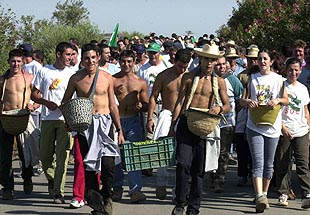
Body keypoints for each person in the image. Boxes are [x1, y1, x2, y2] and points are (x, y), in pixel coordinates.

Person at [61, 43, 124, 215]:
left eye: (93, 58)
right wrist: (68, 121)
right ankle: (98, 207)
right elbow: (65, 103)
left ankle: (107, 195)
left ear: (98, 58)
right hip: (85, 126)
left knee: (108, 166)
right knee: (90, 168)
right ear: (82, 60)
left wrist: (119, 130)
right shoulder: (76, 79)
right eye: (87, 58)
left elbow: (112, 105)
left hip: (105, 125)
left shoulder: (107, 78)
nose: (90, 61)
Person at [170, 42, 230, 215]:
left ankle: (193, 207)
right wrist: (172, 126)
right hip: (186, 123)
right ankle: (180, 202)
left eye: (212, 60)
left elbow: (227, 106)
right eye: (206, 59)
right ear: (200, 59)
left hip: (205, 127)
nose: (209, 63)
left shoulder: (219, 82)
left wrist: (218, 109)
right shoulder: (188, 77)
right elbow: (180, 101)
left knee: (199, 169)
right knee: (182, 164)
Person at [240, 48, 289, 213]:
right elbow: (241, 100)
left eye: (265, 59)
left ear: (271, 61)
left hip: (273, 125)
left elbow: (286, 99)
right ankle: (259, 195)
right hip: (254, 125)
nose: (262, 62)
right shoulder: (252, 78)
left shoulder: (278, 79)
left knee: (269, 164)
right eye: (260, 59)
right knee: (258, 163)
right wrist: (248, 102)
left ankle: (265, 193)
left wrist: (277, 100)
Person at [31, 42, 75, 204]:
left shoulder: (73, 73)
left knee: (63, 157)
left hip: (65, 120)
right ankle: (52, 178)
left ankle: (58, 192)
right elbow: (34, 93)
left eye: (72, 55)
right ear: (58, 54)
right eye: (67, 55)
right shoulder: (44, 71)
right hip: (48, 118)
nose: (70, 58)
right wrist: (45, 102)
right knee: (45, 156)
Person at [146, 49, 192, 200]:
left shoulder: (191, 76)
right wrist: (150, 118)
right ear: (174, 61)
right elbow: (153, 96)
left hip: (185, 116)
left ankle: (179, 190)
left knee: (183, 155)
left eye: (185, 66)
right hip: (166, 114)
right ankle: (161, 184)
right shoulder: (164, 76)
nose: (182, 69)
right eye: (180, 66)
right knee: (162, 152)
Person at [0, 49, 40, 200]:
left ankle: (27, 178)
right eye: (13, 61)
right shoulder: (3, 79)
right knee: (5, 156)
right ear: (8, 61)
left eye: (18, 61)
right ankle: (7, 187)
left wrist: (34, 106)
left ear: (23, 62)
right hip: (6, 119)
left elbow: (39, 96)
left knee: (26, 154)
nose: (15, 64)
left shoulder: (29, 78)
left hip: (24, 118)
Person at [112, 50, 148, 203]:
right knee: (115, 156)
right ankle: (117, 188)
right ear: (119, 62)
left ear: (134, 62)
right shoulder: (112, 80)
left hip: (133, 120)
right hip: (116, 120)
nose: (126, 65)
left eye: (129, 62)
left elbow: (146, 105)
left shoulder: (140, 82)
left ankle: (135, 190)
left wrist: (142, 105)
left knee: (133, 156)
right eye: (123, 61)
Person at [275, 57, 310, 209]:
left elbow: (305, 111)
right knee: (283, 162)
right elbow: (275, 112)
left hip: (301, 130)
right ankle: (283, 193)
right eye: (290, 70)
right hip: (285, 130)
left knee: (303, 164)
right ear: (286, 70)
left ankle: (306, 194)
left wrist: (309, 129)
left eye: (296, 70)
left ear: (300, 71)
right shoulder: (281, 86)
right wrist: (283, 127)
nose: (293, 72)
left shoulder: (303, 88)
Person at [211, 55, 243, 193]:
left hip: (227, 123)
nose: (222, 67)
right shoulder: (208, 79)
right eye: (218, 64)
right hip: (210, 122)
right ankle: (211, 175)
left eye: (224, 64)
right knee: (211, 151)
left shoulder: (233, 80)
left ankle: (220, 180)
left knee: (223, 152)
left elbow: (239, 101)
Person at [138, 42, 168, 176]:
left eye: (154, 53)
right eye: (150, 52)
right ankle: (147, 165)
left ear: (159, 53)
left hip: (164, 103)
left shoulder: (166, 67)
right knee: (149, 134)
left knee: (163, 134)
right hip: (149, 104)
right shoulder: (143, 69)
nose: (152, 55)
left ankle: (162, 163)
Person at [235, 44, 259, 187]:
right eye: (251, 59)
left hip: (257, 116)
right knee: (242, 148)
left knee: (254, 150)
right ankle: (243, 174)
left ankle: (253, 175)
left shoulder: (263, 75)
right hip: (243, 115)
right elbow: (239, 98)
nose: (253, 62)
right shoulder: (242, 75)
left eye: (255, 59)